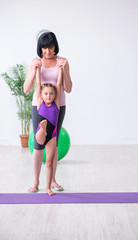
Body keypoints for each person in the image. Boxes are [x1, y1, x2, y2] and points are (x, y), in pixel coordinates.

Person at [24, 31, 72, 192]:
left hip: (58, 106)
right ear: (40, 48)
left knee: (54, 142)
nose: (48, 51)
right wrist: (33, 70)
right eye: (44, 48)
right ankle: (35, 181)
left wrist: (63, 69)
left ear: (55, 46)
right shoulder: (35, 62)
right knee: (38, 144)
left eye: (50, 47)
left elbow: (68, 88)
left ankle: (52, 181)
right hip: (39, 106)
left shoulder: (62, 61)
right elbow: (26, 89)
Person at [34, 65, 62, 195]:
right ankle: (43, 128)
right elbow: (38, 83)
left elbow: (59, 84)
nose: (49, 96)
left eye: (51, 93)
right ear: (41, 95)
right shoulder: (40, 103)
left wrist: (60, 70)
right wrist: (38, 70)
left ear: (55, 95)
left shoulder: (56, 104)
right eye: (46, 93)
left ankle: (48, 188)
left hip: (52, 136)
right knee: (40, 135)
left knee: (49, 162)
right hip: (42, 133)